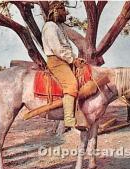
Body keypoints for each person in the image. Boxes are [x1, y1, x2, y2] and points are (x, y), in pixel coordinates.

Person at [41, 2, 86, 130]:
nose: (65, 14)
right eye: (63, 11)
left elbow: (65, 47)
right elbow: (57, 49)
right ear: (56, 11)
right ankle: (69, 120)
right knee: (71, 84)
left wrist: (75, 59)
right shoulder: (50, 26)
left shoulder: (58, 26)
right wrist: (73, 59)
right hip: (57, 62)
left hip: (64, 60)